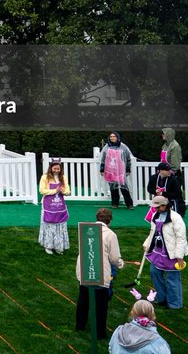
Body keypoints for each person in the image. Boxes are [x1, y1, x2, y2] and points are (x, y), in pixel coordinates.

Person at [74, 207, 123, 339]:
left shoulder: (86, 230)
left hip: (85, 270)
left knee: (83, 299)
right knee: (101, 304)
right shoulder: (111, 235)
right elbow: (114, 258)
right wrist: (120, 263)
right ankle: (100, 332)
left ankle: (80, 324)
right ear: (109, 220)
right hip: (101, 273)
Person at [142, 195, 188, 310]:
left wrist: (179, 256)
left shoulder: (176, 218)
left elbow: (181, 238)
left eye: (158, 207)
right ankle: (161, 299)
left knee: (172, 279)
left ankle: (175, 304)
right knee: (154, 272)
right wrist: (147, 243)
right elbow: (152, 232)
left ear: (165, 205)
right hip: (158, 251)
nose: (155, 209)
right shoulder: (155, 215)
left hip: (172, 253)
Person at [39, 157, 71, 254]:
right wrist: (54, 191)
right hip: (48, 205)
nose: (56, 170)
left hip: (60, 205)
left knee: (60, 225)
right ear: (51, 168)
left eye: (58, 169)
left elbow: (68, 191)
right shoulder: (45, 177)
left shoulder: (63, 177)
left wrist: (63, 191)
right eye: (55, 168)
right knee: (49, 225)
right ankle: (48, 246)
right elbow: (41, 190)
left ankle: (59, 246)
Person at [99, 132, 135, 209]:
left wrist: (128, 169)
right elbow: (103, 159)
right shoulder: (107, 147)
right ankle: (115, 203)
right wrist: (102, 169)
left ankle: (129, 204)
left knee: (124, 187)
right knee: (113, 188)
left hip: (121, 170)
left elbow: (128, 158)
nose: (112, 138)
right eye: (111, 136)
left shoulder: (123, 147)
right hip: (110, 170)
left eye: (114, 136)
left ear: (117, 137)